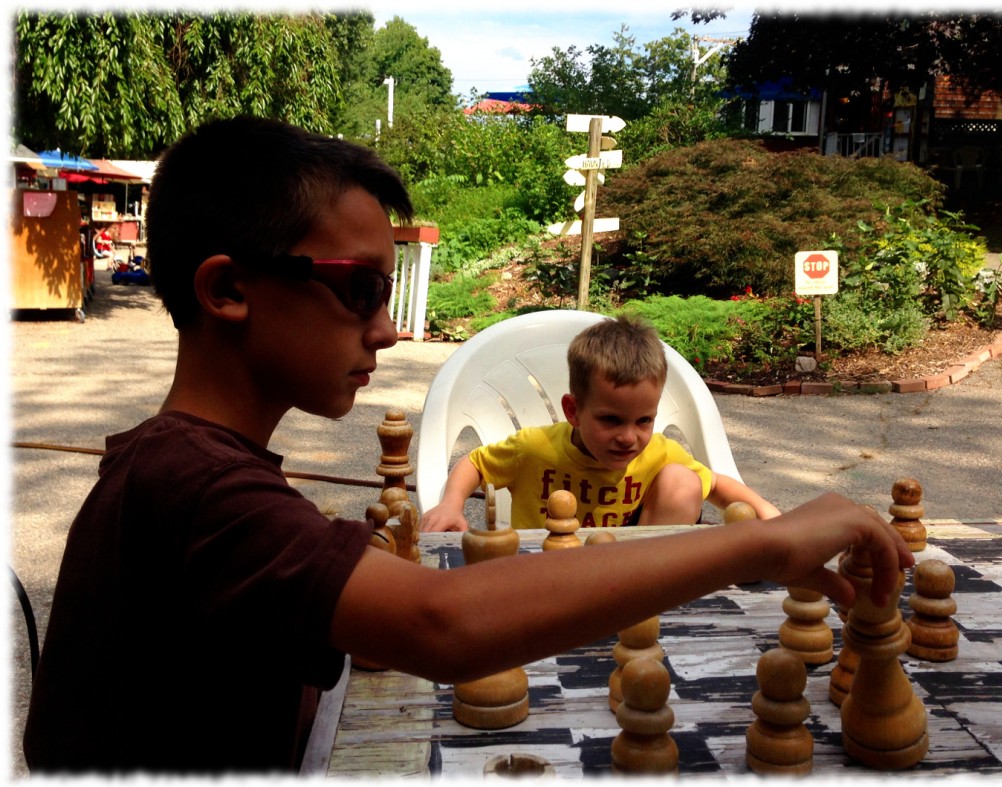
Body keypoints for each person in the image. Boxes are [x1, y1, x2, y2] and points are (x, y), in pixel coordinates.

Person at [23, 115, 914, 775]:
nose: (388, 330)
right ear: (228, 291)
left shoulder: (191, 465)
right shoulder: (193, 488)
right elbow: (443, 624)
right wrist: (751, 542)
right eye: (360, 289)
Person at [420, 314, 781, 532]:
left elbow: (716, 485)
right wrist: (451, 504)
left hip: (628, 575)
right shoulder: (534, 447)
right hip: (544, 573)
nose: (628, 437)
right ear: (573, 412)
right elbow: (474, 463)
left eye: (644, 420)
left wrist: (769, 513)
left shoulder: (658, 452)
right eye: (611, 420)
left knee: (683, 481)